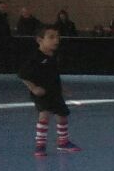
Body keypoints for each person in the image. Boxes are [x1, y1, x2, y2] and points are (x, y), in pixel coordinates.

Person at [18, 24, 80, 156]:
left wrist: (61, 88)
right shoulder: (35, 57)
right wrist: (34, 88)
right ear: (39, 40)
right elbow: (22, 74)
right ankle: (40, 145)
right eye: (51, 37)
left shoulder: (54, 56)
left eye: (57, 37)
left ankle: (63, 142)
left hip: (54, 91)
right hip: (42, 93)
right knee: (44, 114)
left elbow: (54, 74)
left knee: (62, 115)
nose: (56, 40)